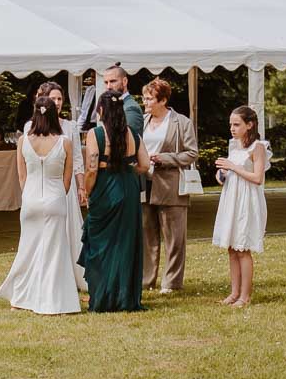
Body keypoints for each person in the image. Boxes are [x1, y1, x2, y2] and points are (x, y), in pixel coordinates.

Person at [0, 96, 80, 315]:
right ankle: (54, 301)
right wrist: (56, 195)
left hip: (31, 199)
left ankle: (20, 298)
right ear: (55, 116)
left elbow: (21, 176)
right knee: (54, 252)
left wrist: (31, 194)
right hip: (55, 199)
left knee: (27, 249)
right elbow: (67, 179)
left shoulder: (23, 141)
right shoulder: (65, 142)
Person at [81, 90, 150, 312]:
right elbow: (145, 165)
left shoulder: (95, 134)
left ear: (101, 110)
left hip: (105, 188)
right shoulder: (133, 135)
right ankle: (125, 297)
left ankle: (103, 296)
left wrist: (87, 191)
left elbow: (92, 169)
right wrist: (129, 171)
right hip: (128, 188)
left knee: (102, 243)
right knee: (125, 242)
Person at [23, 81, 87, 291]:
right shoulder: (29, 127)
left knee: (68, 233)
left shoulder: (70, 126)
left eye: (60, 99)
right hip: (42, 188)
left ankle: (69, 276)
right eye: (53, 99)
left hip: (63, 189)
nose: (57, 103)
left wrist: (80, 187)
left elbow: (77, 159)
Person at [140, 78, 199, 295]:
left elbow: (192, 153)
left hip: (171, 185)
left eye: (149, 99)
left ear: (163, 100)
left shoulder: (181, 122)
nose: (145, 102)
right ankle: (147, 280)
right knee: (147, 235)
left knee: (174, 238)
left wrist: (166, 158)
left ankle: (171, 282)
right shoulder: (142, 121)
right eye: (144, 98)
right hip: (145, 183)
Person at [212, 106, 269, 308]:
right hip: (232, 198)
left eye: (237, 124)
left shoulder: (258, 148)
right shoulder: (234, 146)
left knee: (242, 247)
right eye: (231, 124)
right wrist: (222, 175)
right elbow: (230, 174)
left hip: (247, 201)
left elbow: (257, 177)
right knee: (231, 247)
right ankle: (234, 292)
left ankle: (245, 295)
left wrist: (233, 167)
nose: (232, 128)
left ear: (249, 124)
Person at [103, 64, 145, 140]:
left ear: (125, 81)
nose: (108, 87)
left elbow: (131, 143)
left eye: (113, 81)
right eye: (106, 82)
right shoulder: (117, 104)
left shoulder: (131, 108)